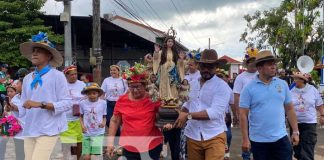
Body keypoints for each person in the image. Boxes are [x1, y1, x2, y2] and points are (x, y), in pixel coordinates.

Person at [15, 32, 72, 160]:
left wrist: (41, 104)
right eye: (33, 51)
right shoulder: (28, 78)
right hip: (29, 128)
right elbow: (24, 105)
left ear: (49, 55)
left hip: (48, 129)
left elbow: (68, 103)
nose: (34, 53)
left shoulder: (57, 76)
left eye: (39, 51)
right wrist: (14, 108)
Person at [239, 50, 299, 160]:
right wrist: (245, 139)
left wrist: (295, 131)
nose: (274, 67)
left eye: (274, 64)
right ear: (259, 68)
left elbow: (289, 109)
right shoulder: (248, 88)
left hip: (281, 139)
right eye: (270, 64)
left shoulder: (282, 84)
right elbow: (243, 115)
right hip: (259, 141)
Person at [175, 49, 231, 160]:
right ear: (199, 66)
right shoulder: (192, 84)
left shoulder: (222, 86)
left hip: (214, 136)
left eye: (210, 67)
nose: (206, 70)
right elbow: (188, 103)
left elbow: (215, 112)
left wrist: (187, 116)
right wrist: (181, 113)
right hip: (193, 135)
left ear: (216, 67)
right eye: (203, 66)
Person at [106, 63, 171, 160]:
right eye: (132, 87)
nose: (135, 90)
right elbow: (115, 120)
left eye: (138, 86)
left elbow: (163, 115)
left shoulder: (153, 99)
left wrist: (167, 123)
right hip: (129, 147)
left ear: (145, 85)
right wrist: (110, 143)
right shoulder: (122, 100)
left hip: (151, 146)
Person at [290, 72, 324, 160]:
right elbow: (287, 107)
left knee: (307, 149)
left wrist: (322, 115)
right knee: (297, 150)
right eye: (294, 78)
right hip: (294, 124)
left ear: (303, 80)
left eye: (296, 78)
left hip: (309, 123)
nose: (294, 80)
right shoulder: (291, 91)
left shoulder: (312, 90)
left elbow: (319, 104)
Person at [60, 65, 86, 160]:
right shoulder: (62, 85)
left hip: (78, 118)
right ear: (66, 75)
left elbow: (86, 97)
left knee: (79, 141)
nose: (74, 76)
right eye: (71, 75)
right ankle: (66, 157)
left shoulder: (82, 84)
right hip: (65, 118)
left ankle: (78, 158)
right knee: (66, 143)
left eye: (75, 74)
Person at [79, 83, 107, 160]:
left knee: (95, 156)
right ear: (86, 94)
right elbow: (80, 116)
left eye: (94, 93)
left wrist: (103, 123)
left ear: (98, 93)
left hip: (98, 132)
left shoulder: (103, 103)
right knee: (87, 157)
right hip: (86, 132)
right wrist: (82, 126)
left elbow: (104, 116)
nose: (92, 95)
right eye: (89, 93)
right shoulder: (82, 103)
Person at [101, 65, 128, 136]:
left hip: (120, 103)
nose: (112, 72)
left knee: (120, 120)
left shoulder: (123, 81)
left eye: (114, 70)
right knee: (108, 120)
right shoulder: (106, 80)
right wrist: (100, 102)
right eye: (111, 70)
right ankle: (117, 134)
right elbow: (102, 92)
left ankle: (117, 137)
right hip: (109, 103)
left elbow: (127, 92)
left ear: (118, 71)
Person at [0, 84, 18, 160]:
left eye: (11, 91)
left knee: (17, 144)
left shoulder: (18, 100)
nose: (9, 93)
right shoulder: (6, 100)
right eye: (8, 91)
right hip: (6, 123)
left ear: (16, 92)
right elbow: (4, 112)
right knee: (3, 143)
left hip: (16, 124)